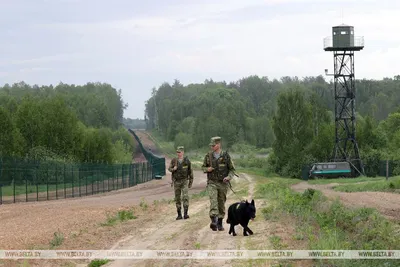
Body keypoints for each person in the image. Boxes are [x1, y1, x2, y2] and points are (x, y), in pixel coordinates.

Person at [202, 136, 236, 231]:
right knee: (213, 200)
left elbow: (232, 170)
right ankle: (214, 220)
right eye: (211, 145)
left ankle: (220, 223)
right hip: (212, 182)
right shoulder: (208, 156)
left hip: (223, 183)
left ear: (219, 144)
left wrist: (228, 177)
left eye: (214, 145)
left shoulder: (225, 156)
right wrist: (207, 169)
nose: (212, 147)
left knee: (221, 203)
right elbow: (203, 167)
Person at [168, 146, 194, 220]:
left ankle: (185, 214)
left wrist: (190, 182)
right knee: (177, 198)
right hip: (176, 182)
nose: (178, 153)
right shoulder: (174, 161)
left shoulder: (187, 161)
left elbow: (190, 172)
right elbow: (169, 169)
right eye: (177, 152)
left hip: (184, 181)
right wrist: (173, 169)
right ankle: (179, 214)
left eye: (179, 152)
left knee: (185, 197)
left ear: (183, 152)